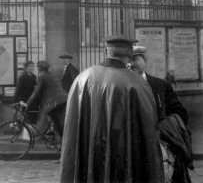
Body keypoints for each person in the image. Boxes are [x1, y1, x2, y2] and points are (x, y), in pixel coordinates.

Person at [60, 35, 164, 183]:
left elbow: (71, 128)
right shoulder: (137, 83)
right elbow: (148, 130)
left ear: (105, 51)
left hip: (88, 154)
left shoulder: (82, 79)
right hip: (123, 159)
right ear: (129, 53)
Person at [130, 45, 193, 183]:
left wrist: (163, 129)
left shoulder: (161, 85)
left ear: (144, 60)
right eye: (127, 59)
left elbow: (180, 114)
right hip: (133, 151)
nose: (130, 63)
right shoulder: (120, 86)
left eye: (135, 58)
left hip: (162, 151)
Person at [24, 60, 67, 140]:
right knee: (56, 123)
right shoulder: (52, 75)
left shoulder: (42, 77)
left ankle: (63, 147)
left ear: (40, 69)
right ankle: (57, 140)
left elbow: (35, 92)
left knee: (57, 125)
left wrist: (28, 103)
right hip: (63, 100)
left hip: (54, 103)